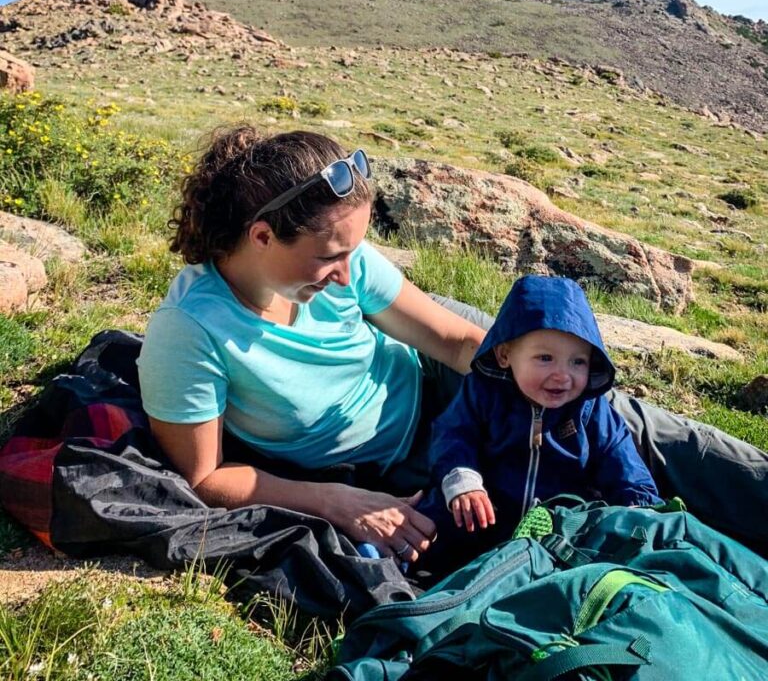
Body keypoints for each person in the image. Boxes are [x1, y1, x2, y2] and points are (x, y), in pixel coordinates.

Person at [137, 126, 486, 564]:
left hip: (431, 385)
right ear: (262, 236)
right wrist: (334, 502)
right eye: (327, 259)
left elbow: (457, 343)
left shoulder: (344, 260)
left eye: (352, 252)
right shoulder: (189, 330)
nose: (346, 273)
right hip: (380, 469)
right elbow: (205, 477)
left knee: (565, 383)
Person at [419, 275, 660, 561]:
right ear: (505, 354)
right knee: (433, 519)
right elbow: (453, 434)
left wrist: (638, 508)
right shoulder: (483, 392)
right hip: (482, 515)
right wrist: (463, 482)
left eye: (577, 362)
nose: (563, 375)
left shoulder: (590, 409)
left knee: (606, 539)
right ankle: (387, 561)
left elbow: (620, 457)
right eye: (545, 358)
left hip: (555, 534)